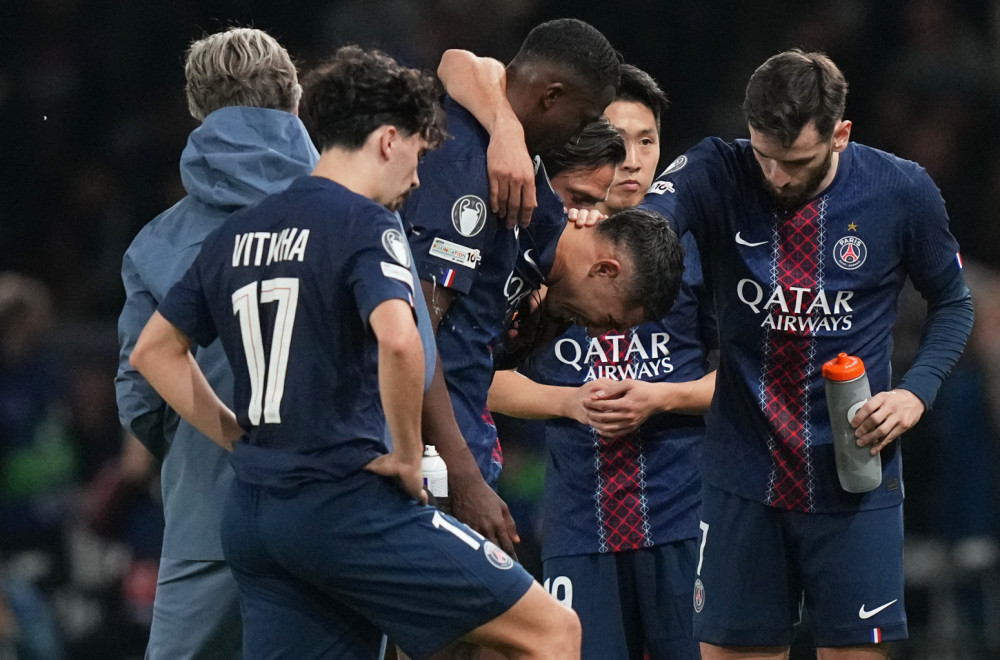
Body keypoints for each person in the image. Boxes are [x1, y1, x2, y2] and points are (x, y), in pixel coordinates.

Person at [128, 44, 581, 660]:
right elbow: (400, 338)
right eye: (419, 153)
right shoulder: (367, 225)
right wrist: (406, 453)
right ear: (389, 140)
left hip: (254, 512)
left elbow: (153, 352)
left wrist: (237, 437)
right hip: (344, 504)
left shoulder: (241, 230)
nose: (418, 179)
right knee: (555, 630)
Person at [637, 49, 974, 659]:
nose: (776, 177)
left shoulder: (900, 189)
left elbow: (953, 301)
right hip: (742, 476)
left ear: (840, 134)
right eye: (764, 154)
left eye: (795, 161)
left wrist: (914, 392)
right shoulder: (718, 169)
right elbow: (649, 225)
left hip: (855, 478)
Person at [476, 64, 716, 659]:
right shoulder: (539, 247)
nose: (631, 161)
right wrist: (568, 402)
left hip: (685, 515)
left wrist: (663, 396)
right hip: (580, 522)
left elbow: (752, 374)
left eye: (647, 141)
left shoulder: (691, 251)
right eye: (618, 140)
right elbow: (470, 376)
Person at [114, 27, 318, 659]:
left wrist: (210, 452)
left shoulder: (157, 243)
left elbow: (141, 400)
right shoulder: (361, 217)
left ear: (196, 108)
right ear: (295, 98)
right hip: (336, 514)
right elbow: (409, 353)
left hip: (208, 515)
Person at [401, 18, 624, 497]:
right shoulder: (475, 172)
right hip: (431, 459)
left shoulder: (527, 184)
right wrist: (461, 475)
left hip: (459, 444)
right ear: (552, 97)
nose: (578, 135)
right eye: (583, 120)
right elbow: (417, 333)